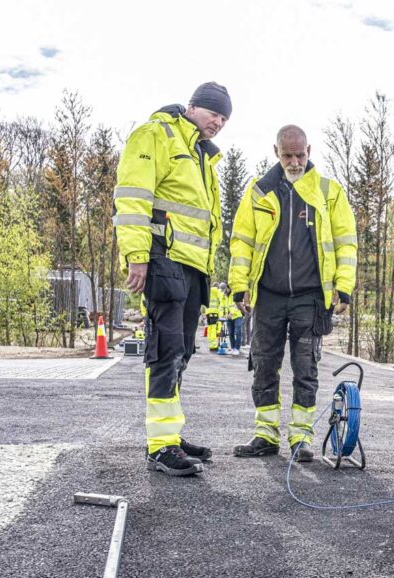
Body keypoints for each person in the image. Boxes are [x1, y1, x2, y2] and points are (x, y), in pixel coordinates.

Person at [113, 81, 231, 476]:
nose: (219, 121)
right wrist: (137, 256)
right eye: (214, 112)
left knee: (182, 352)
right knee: (165, 350)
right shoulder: (157, 135)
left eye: (224, 117)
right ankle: (160, 446)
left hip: (193, 266)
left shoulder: (202, 155)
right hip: (163, 259)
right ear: (193, 106)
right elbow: (132, 198)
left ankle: (171, 434)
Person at [228, 124, 358, 461]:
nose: (295, 161)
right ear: (276, 153)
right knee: (264, 364)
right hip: (269, 295)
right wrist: (239, 284)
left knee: (305, 366)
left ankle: (301, 438)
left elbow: (346, 243)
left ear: (309, 151)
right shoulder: (260, 191)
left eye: (300, 154)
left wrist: (343, 287)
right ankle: (265, 434)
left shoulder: (329, 192)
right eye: (288, 155)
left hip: (310, 296)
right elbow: (242, 241)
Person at [222, 282, 244, 356]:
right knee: (231, 333)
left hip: (237, 316)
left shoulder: (235, 294)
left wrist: (231, 313)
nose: (224, 291)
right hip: (229, 317)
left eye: (225, 289)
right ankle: (232, 348)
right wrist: (224, 314)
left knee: (237, 333)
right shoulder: (225, 296)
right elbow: (223, 306)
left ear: (229, 288)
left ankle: (237, 348)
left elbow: (236, 305)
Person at [206, 282, 222, 351]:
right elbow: (222, 299)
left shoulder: (208, 291)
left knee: (210, 328)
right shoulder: (217, 291)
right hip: (214, 312)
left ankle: (210, 344)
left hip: (208, 313)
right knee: (214, 329)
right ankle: (214, 345)